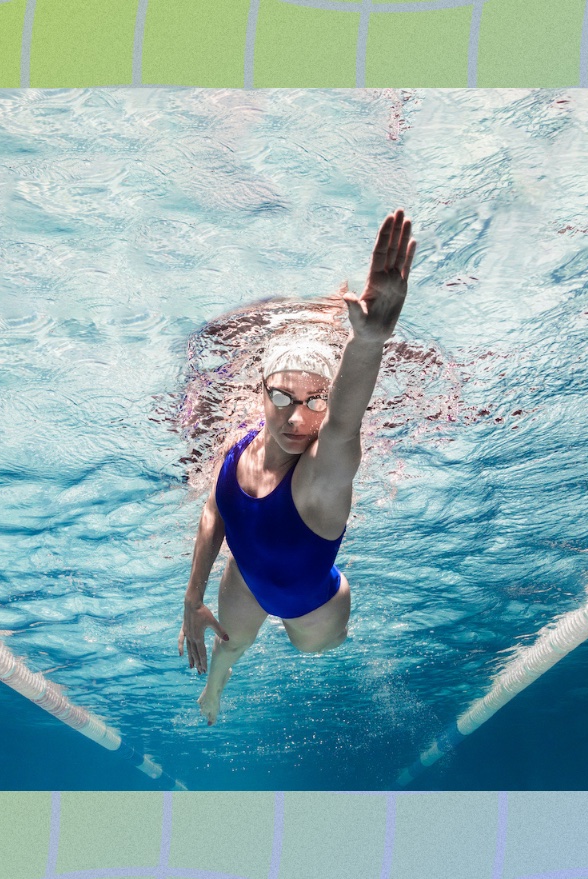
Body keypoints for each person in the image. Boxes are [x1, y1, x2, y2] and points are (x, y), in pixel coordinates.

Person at [177, 209, 417, 725]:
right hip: (247, 581)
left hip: (313, 601)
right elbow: (216, 512)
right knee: (231, 643)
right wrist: (192, 597)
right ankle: (215, 688)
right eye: (282, 396)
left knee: (316, 650)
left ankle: (336, 627)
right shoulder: (236, 449)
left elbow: (344, 425)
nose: (297, 415)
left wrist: (369, 341)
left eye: (315, 401)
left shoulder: (319, 476)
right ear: (261, 392)